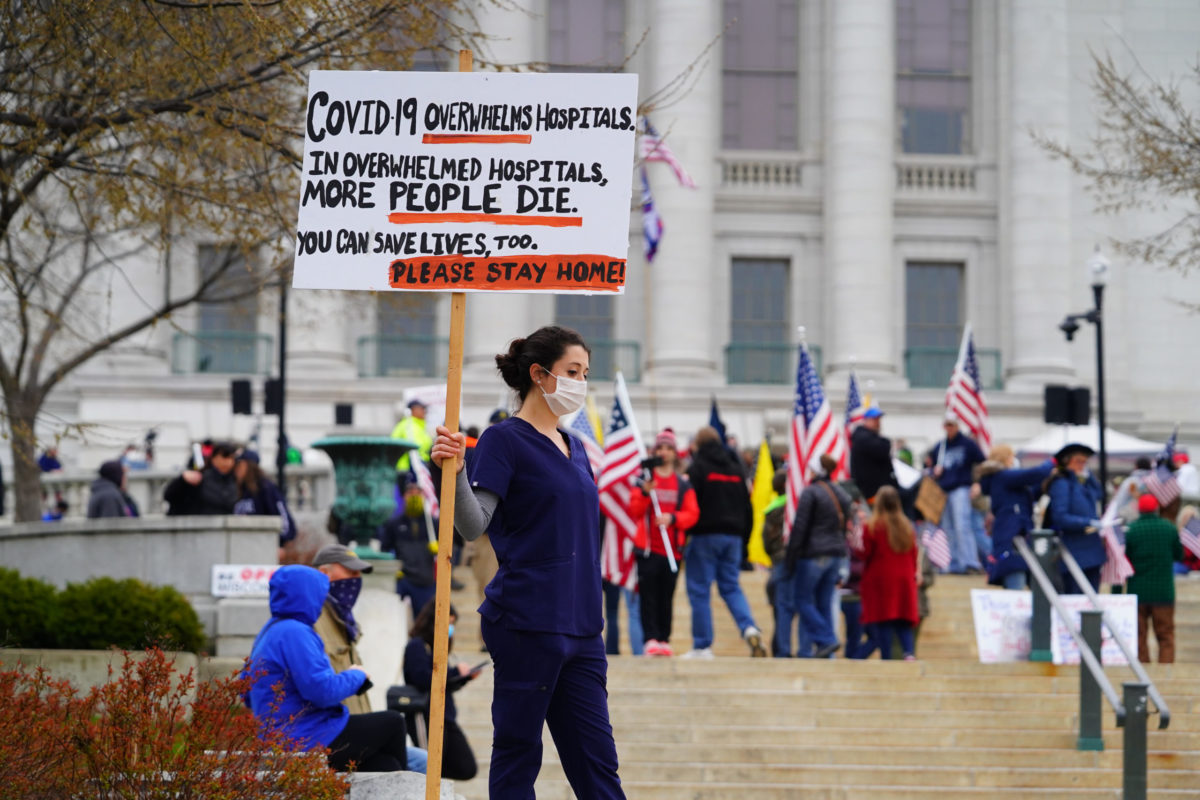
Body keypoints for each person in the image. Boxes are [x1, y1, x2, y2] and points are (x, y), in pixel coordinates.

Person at [430, 324, 624, 799]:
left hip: (582, 628)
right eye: (572, 371)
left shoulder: (577, 447)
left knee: (599, 766)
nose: (581, 381)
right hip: (526, 620)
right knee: (519, 754)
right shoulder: (504, 440)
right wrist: (452, 472)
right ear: (539, 374)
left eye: (585, 372)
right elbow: (474, 526)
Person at [244, 565, 426, 773]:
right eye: (319, 595)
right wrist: (356, 676)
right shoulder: (296, 633)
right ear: (307, 595)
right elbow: (322, 691)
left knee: (385, 765)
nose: (321, 602)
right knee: (393, 723)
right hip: (308, 737)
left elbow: (246, 693)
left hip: (283, 737)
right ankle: (403, 788)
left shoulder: (268, 632)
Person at [682, 426, 766, 659]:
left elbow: (689, 503)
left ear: (698, 445)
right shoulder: (736, 468)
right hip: (734, 538)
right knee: (730, 587)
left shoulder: (697, 468)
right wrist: (745, 542)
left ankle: (702, 646)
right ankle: (749, 627)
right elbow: (748, 508)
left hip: (704, 536)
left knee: (700, 590)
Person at [629, 428, 700, 657]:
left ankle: (664, 638)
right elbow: (634, 510)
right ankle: (650, 639)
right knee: (648, 596)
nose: (664, 452)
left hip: (673, 552)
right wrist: (644, 493)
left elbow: (693, 513)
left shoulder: (683, 484)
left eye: (669, 448)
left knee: (666, 597)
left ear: (675, 452)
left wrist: (673, 519)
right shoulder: (645, 480)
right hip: (648, 550)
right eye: (660, 447)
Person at [784, 453, 852, 658]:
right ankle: (825, 647)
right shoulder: (841, 494)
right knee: (822, 603)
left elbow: (800, 528)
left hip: (813, 555)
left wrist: (791, 557)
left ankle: (827, 640)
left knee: (802, 600)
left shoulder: (811, 493)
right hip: (835, 554)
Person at [403, 599, 479, 781]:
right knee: (428, 764)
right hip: (425, 714)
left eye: (452, 624)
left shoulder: (436, 649)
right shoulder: (417, 645)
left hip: (446, 716)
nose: (450, 629)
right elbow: (421, 678)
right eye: (448, 623)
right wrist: (455, 671)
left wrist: (464, 677)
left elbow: (443, 683)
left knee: (466, 767)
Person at [976, 444, 1055, 590]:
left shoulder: (1000, 480)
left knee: (1026, 584)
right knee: (1015, 586)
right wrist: (1052, 462)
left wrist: (1046, 485)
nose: (1014, 460)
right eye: (1012, 456)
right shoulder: (1003, 476)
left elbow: (1028, 495)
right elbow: (1035, 474)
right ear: (1005, 458)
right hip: (1012, 540)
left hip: (1014, 538)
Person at [857, 486, 920, 660]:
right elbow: (914, 553)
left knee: (883, 619)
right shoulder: (907, 525)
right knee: (902, 620)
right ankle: (909, 653)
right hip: (904, 578)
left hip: (881, 578)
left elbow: (865, 553)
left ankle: (887, 658)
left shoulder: (873, 526)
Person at [311, 544, 373, 714]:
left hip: (355, 727)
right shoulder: (313, 618)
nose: (357, 578)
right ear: (324, 573)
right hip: (332, 731)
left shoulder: (345, 618)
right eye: (351, 572)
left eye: (359, 573)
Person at [1124, 493, 1183, 663]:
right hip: (1163, 591)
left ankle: (1143, 672)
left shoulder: (1132, 530)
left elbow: (1124, 561)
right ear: (1157, 508)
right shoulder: (1169, 528)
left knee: (1139, 636)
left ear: (1139, 510)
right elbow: (1179, 555)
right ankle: (1166, 673)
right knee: (1165, 635)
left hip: (1137, 591)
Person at [1045, 443, 1105, 594]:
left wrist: (1089, 477)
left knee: (1092, 596)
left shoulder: (1083, 483)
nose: (1082, 465)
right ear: (1067, 462)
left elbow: (1099, 494)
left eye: (1085, 462)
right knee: (1075, 597)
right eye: (1079, 461)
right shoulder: (1061, 484)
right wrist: (1087, 523)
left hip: (1092, 551)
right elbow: (1060, 517)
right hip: (1074, 550)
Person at [930, 415, 986, 574]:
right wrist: (935, 471)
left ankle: (970, 562)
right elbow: (930, 466)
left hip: (961, 488)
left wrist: (977, 483)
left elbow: (982, 463)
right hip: (943, 490)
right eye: (947, 425)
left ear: (957, 425)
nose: (949, 428)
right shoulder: (940, 447)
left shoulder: (968, 444)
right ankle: (955, 563)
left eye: (952, 425)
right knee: (948, 527)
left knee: (963, 525)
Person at [377, 481, 436, 617]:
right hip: (402, 579)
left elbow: (455, 543)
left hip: (425, 581)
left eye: (418, 492)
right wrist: (393, 567)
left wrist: (440, 547)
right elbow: (384, 549)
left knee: (424, 620)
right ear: (404, 496)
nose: (414, 495)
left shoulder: (432, 524)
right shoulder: (394, 523)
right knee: (392, 617)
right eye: (410, 492)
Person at [233, 450, 296, 549]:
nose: (236, 469)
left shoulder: (265, 488)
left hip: (265, 546)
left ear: (249, 466)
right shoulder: (239, 490)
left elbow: (283, 517)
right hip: (244, 546)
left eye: (239, 465)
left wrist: (281, 543)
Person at [760, 468, 791, 657]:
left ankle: (780, 650)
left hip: (777, 563)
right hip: (790, 561)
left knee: (780, 611)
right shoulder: (795, 506)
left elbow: (766, 541)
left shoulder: (771, 509)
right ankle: (782, 650)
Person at [163, 441, 238, 516]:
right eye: (225, 456)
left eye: (232, 458)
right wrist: (182, 480)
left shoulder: (236, 480)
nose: (229, 462)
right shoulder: (200, 479)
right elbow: (170, 496)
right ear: (214, 458)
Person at [849, 406, 898, 504]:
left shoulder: (869, 437)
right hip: (871, 492)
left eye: (878, 419)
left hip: (878, 491)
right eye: (874, 419)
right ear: (866, 420)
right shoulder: (863, 438)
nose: (878, 422)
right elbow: (883, 448)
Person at [392, 398, 433, 476]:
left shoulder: (419, 427)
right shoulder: (408, 426)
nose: (424, 411)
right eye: (422, 408)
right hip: (408, 469)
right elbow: (416, 448)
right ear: (413, 410)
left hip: (417, 468)